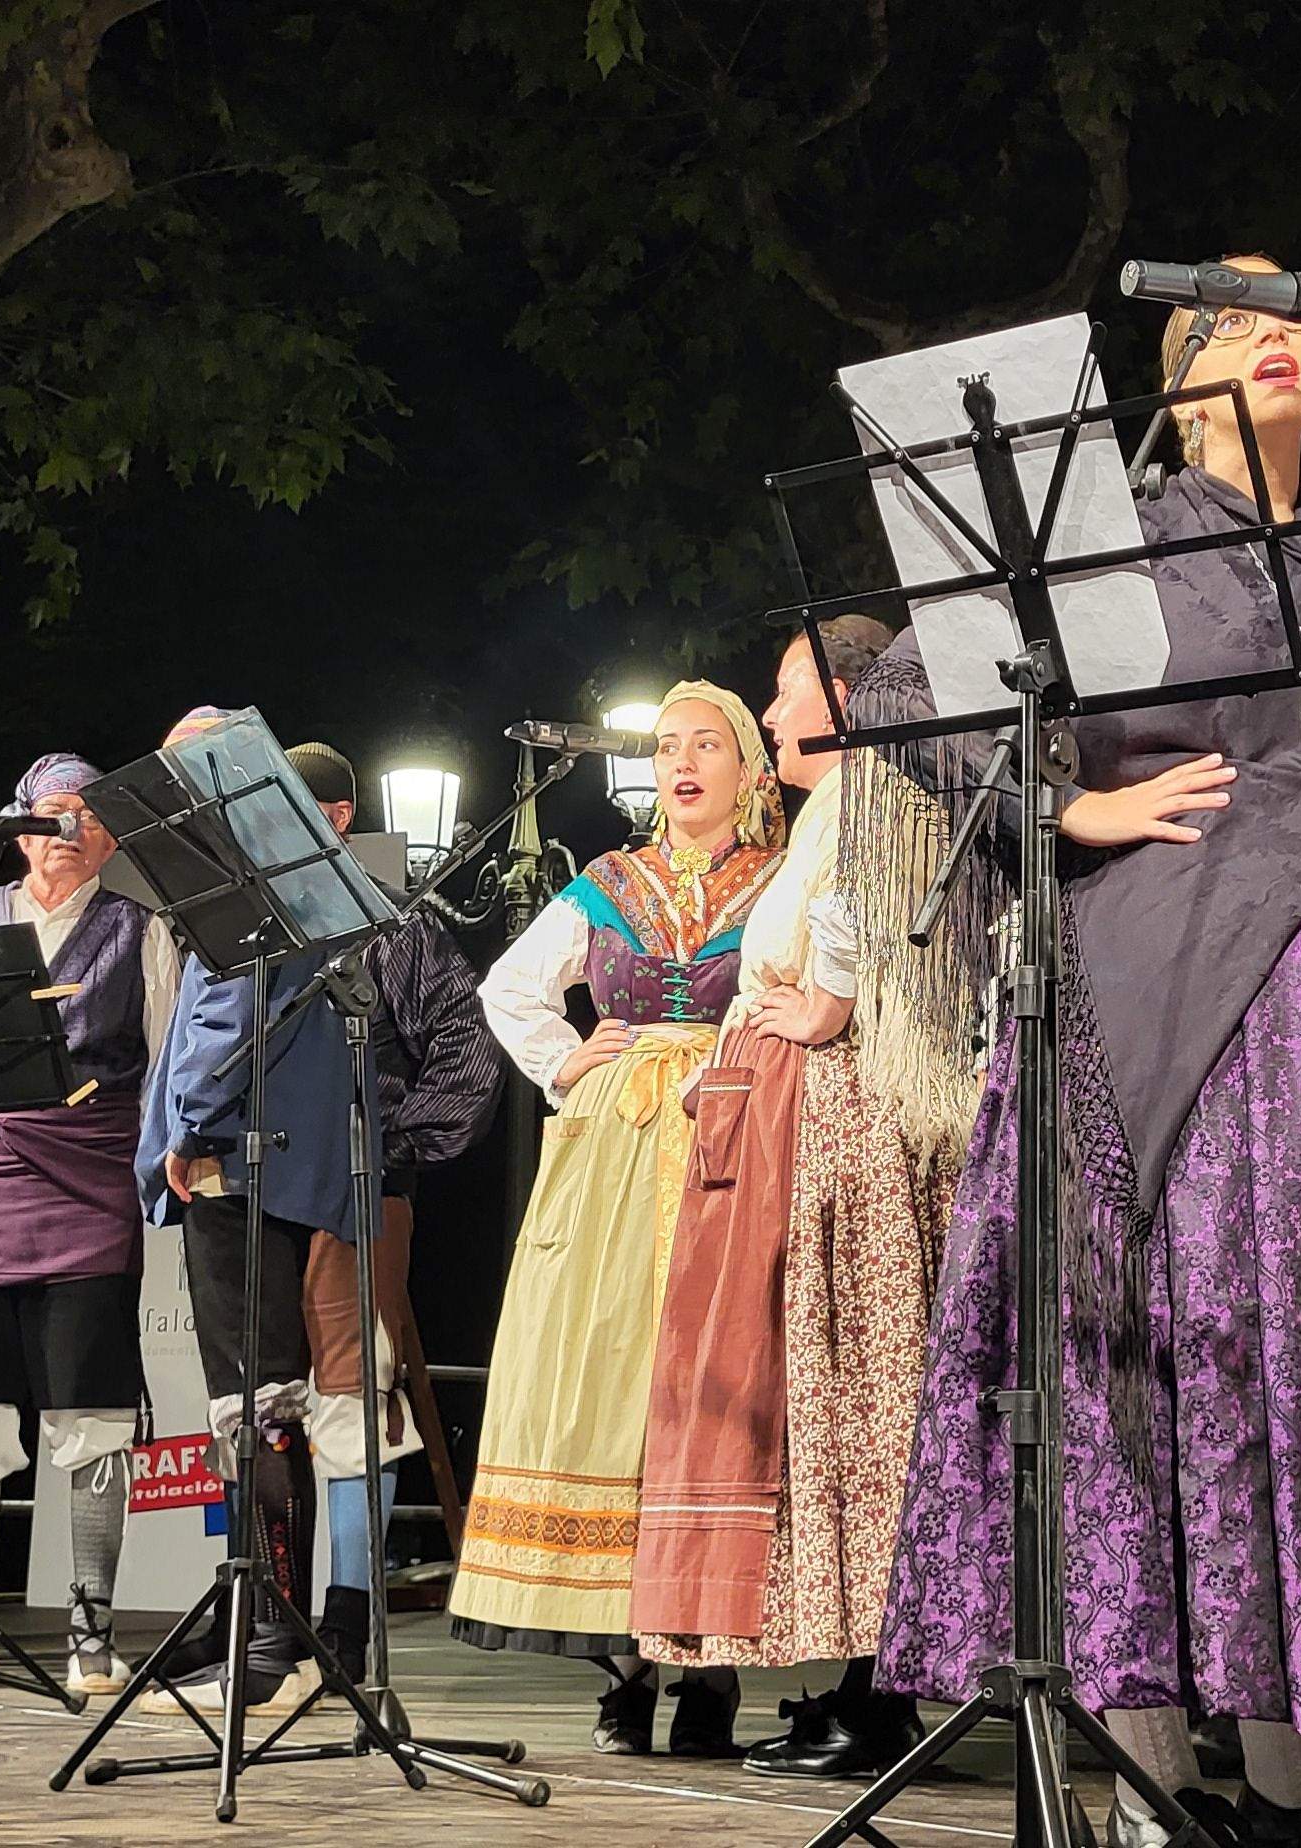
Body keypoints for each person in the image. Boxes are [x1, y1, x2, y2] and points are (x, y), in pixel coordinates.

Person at [873, 247, 1301, 1842]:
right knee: (1171, 1359)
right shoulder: (1124, 541)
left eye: (1296, 317)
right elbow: (915, 684)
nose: (1275, 338)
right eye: (1230, 320)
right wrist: (1063, 803)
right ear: (1177, 375)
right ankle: (1155, 1778)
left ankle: (1290, 1774)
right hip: (1166, 1004)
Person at [633, 619, 957, 1783]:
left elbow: (873, 911)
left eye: (784, 697)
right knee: (824, 1408)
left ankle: (874, 1699)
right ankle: (852, 1687)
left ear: (848, 697)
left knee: (851, 1398)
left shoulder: (879, 784)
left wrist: (821, 1000)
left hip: (841, 1130)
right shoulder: (841, 800)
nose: (771, 724)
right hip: (802, 1124)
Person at [452, 685, 784, 1756]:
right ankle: (624, 1663)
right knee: (612, 1378)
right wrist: (567, 1062)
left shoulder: (777, 881)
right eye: (667, 746)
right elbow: (509, 991)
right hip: (614, 1151)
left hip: (731, 1136)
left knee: (713, 1385)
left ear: (748, 768)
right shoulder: (608, 884)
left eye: (706, 744)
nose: (683, 761)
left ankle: (713, 1669)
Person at [134, 714, 364, 1719]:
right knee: (255, 1399)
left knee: (257, 1400)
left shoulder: (248, 867)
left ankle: (273, 1636)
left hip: (234, 1157)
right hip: (267, 1155)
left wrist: (185, 1127)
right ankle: (260, 1624)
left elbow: (231, 1014)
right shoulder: (288, 863)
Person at [0, 753, 153, 1695]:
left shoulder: (140, 927)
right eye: (51, 816)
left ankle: (90, 1631)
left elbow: (170, 1047)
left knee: (91, 1411)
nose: (69, 832)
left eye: (86, 817)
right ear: (18, 828)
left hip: (90, 1177)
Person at [305, 741, 502, 1679]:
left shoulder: (394, 925)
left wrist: (393, 1140)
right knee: (259, 1403)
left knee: (357, 1395)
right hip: (247, 1186)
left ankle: (347, 1626)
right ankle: (269, 1623)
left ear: (335, 817)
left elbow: (468, 1046)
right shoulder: (233, 922)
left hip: (356, 1190)